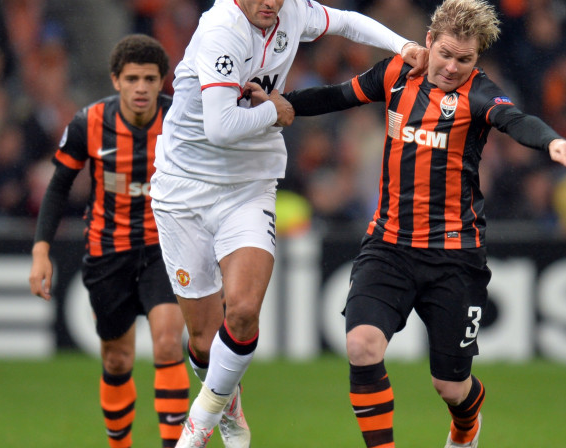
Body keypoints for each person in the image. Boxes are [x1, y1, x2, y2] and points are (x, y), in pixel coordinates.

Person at [279, 0, 566, 446]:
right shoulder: (395, 74)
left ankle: (466, 425)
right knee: (361, 347)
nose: (451, 67)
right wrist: (282, 104)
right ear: (428, 41)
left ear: (477, 59)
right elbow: (338, 95)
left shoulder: (480, 94)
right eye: (445, 53)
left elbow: (515, 121)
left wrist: (552, 142)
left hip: (454, 258)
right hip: (387, 246)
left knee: (450, 387)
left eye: (464, 59)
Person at [148, 0, 429, 446]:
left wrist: (404, 46)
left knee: (241, 312)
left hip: (249, 183)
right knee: (203, 343)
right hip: (183, 188)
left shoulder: (291, 12)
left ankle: (198, 425)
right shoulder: (222, 30)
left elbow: (348, 22)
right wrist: (276, 111)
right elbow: (221, 126)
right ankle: (227, 400)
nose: (270, 3)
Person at [28, 34, 190, 448]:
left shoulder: (181, 121)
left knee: (169, 341)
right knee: (117, 358)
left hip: (165, 248)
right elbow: (58, 187)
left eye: (150, 79)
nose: (141, 88)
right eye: (132, 78)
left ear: (162, 82)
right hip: (108, 251)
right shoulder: (88, 123)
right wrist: (41, 250)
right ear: (116, 80)